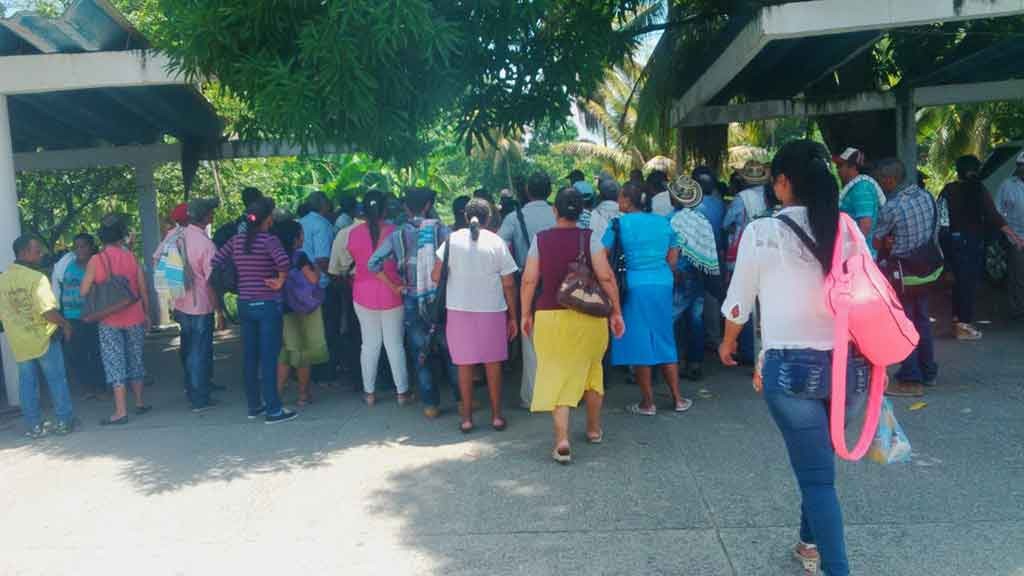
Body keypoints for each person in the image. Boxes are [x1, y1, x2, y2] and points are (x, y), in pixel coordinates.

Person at [719, 140, 870, 576]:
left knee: (818, 477)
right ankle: (808, 542)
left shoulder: (762, 232)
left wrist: (729, 342)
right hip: (850, 368)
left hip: (793, 370)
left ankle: (836, 568)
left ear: (783, 183)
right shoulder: (848, 228)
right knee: (818, 462)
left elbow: (737, 304)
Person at [520, 187, 625, 463]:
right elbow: (606, 277)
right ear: (581, 212)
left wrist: (525, 314)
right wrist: (616, 312)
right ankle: (592, 429)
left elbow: (529, 279)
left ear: (555, 211)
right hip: (589, 316)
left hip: (550, 316)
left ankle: (562, 439)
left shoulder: (540, 240)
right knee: (592, 371)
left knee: (556, 373)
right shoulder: (590, 238)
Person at [369, 187, 460, 419]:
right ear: (428, 205)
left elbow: (373, 263)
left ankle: (430, 405)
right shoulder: (442, 231)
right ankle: (462, 400)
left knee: (421, 351)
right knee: (451, 350)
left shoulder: (396, 235)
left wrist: (394, 287)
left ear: (407, 208)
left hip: (411, 297)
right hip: (441, 298)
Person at [602, 182, 691, 415]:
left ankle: (648, 403)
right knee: (664, 336)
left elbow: (602, 255)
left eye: (621, 197)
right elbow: (673, 258)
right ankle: (678, 399)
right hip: (662, 283)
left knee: (640, 341)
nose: (619, 201)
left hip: (633, 285)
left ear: (628, 201)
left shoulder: (617, 225)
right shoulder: (664, 222)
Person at [434, 198, 518, 433]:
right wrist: (513, 316)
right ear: (489, 218)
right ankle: (497, 416)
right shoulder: (496, 242)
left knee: (465, 366)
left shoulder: (451, 240)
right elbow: (509, 283)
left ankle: (467, 419)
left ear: (463, 216)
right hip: (491, 310)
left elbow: (435, 276)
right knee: (493, 365)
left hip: (458, 309)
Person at [213, 198, 297, 424]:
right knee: (269, 358)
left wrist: (239, 277)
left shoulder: (236, 241)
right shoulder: (269, 241)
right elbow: (284, 262)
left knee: (250, 357)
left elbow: (216, 260)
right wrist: (280, 281)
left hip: (245, 304)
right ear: (268, 218)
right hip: (267, 304)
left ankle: (254, 405)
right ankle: (274, 409)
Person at [872, 158, 940, 398]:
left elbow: (877, 241)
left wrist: (887, 242)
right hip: (926, 269)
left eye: (882, 180)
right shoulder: (926, 196)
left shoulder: (892, 207)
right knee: (922, 319)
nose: (881, 184)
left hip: (904, 274)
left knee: (905, 323)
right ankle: (928, 370)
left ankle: (911, 377)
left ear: (890, 180)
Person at [941, 155, 1024, 340]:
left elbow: (942, 219)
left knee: (958, 284)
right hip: (972, 243)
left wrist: (942, 244)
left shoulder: (949, 190)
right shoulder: (979, 190)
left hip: (952, 241)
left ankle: (958, 323)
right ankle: (964, 325)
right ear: (977, 171)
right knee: (968, 286)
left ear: (958, 172)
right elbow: (994, 216)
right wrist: (1014, 236)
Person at [0, 236, 76, 438]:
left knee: (27, 385)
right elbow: (47, 312)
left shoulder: (3, 280)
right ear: (24, 253)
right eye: (37, 251)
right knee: (56, 380)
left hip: (19, 341)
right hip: (44, 338)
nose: (41, 254)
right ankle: (64, 422)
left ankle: (34, 426)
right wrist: (65, 324)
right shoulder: (37, 279)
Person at [340, 190, 411, 406]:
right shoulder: (395, 232)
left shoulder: (352, 233)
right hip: (392, 292)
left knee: (369, 345)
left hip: (362, 293)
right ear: (384, 209)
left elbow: (352, 258)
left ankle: (369, 393)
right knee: (395, 345)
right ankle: (402, 393)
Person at [81, 214, 152, 426]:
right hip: (135, 315)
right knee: (136, 358)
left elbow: (84, 290)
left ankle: (120, 411)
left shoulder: (96, 260)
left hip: (108, 319)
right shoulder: (131, 257)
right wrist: (147, 314)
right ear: (120, 236)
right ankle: (139, 403)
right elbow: (142, 289)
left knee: (114, 362)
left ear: (101, 238)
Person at [499, 172, 556, 408]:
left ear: (527, 192)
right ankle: (561, 393)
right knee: (558, 339)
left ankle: (533, 396)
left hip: (527, 280)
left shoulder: (515, 217)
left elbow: (499, 244)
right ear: (549, 191)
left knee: (530, 341)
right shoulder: (558, 213)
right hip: (559, 280)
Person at [171, 199, 221, 413]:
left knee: (188, 348)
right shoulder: (206, 244)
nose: (213, 215)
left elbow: (158, 262)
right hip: (201, 304)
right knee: (199, 351)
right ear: (205, 217)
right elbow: (212, 280)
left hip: (180, 302)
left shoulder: (174, 237)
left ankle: (192, 390)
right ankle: (199, 397)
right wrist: (219, 307)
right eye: (211, 212)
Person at [669, 176, 721, 381]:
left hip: (678, 276)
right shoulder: (702, 221)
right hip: (699, 275)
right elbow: (708, 249)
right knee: (695, 320)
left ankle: (675, 362)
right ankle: (696, 363)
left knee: (673, 320)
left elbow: (669, 252)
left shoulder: (671, 220)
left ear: (674, 199)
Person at [272, 219, 328, 407]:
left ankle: (276, 394)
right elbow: (312, 279)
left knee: (286, 351)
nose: (303, 236)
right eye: (301, 233)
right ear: (295, 238)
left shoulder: (275, 256)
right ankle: (303, 395)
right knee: (303, 352)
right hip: (304, 308)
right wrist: (318, 270)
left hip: (284, 308)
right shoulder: (300, 256)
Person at [722, 159, 772, 364]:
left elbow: (727, 224)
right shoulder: (770, 195)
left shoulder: (741, 198)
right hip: (769, 249)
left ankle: (748, 352)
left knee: (744, 302)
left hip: (744, 250)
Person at [54, 233, 106, 400]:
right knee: (77, 354)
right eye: (76, 246)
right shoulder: (66, 265)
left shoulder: (97, 264)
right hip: (72, 318)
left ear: (91, 247)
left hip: (93, 316)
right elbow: (59, 288)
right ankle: (87, 387)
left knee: (97, 352)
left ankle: (101, 387)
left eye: (83, 246)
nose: (79, 249)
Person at [298, 191, 340, 384]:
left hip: (300, 283)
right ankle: (326, 371)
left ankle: (309, 371)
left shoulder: (301, 222)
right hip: (321, 284)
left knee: (307, 331)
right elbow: (323, 259)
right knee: (327, 330)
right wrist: (336, 279)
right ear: (324, 205)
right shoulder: (322, 225)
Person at [834, 147, 885, 258]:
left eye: (840, 166)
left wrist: (852, 253)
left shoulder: (861, 189)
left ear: (852, 167)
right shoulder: (857, 186)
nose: (837, 170)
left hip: (860, 256)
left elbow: (865, 225)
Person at [995, 151, 1024, 319]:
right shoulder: (1007, 185)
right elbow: (998, 212)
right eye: (1021, 166)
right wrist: (1010, 237)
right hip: (1016, 238)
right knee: (1018, 276)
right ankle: (1018, 310)